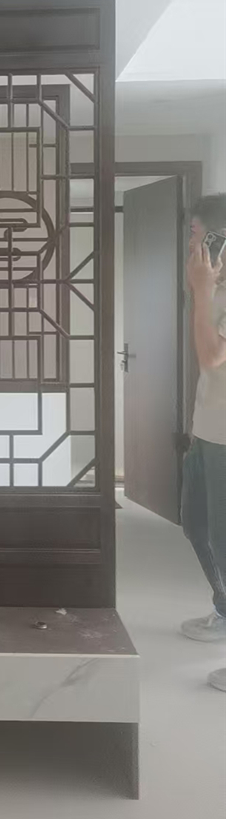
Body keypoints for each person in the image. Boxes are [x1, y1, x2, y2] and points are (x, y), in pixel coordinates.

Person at [181, 194, 226, 691]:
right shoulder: (218, 286)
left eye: (195, 234)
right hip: (208, 432)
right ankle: (223, 609)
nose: (190, 243)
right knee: (196, 526)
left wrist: (201, 291)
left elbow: (211, 357)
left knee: (225, 541)